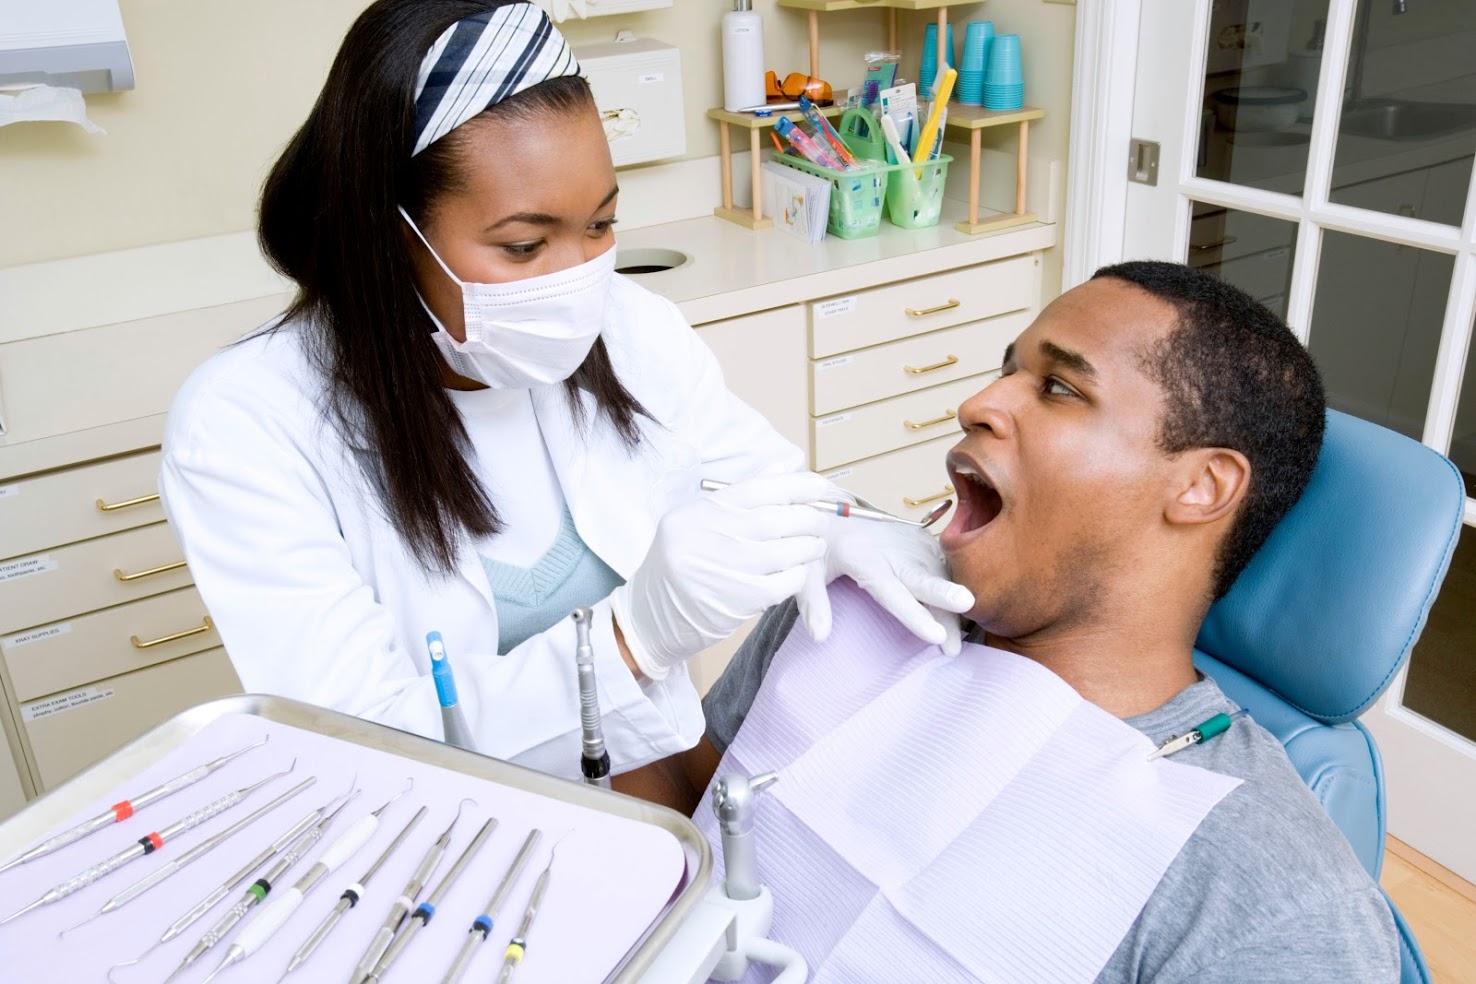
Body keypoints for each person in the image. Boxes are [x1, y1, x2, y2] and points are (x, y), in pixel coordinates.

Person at [158, 0, 972, 779]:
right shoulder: (247, 424)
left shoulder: (630, 329)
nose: (579, 278)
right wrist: (631, 637)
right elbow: (367, 737)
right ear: (384, 233)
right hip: (442, 828)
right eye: (522, 246)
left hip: (640, 773)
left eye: (601, 225)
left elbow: (769, 481)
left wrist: (849, 526)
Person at [669, 262, 1400, 981]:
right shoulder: (848, 605)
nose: (978, 403)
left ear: (1202, 486)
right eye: (1004, 369)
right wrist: (638, 653)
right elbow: (677, 833)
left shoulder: (1272, 899)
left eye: (1058, 387)